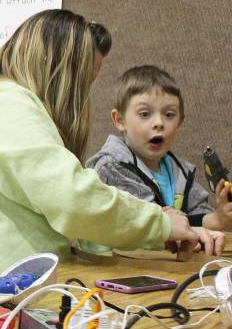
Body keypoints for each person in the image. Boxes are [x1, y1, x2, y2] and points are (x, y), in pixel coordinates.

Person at [0, 10, 225, 290]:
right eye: (83, 83)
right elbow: (72, 199)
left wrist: (163, 228)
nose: (82, 96)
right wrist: (159, 224)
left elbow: (58, 210)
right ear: (59, 71)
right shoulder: (4, 103)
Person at [86, 65, 232, 230]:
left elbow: (196, 216)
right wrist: (202, 227)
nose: (159, 123)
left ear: (180, 122)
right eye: (145, 114)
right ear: (120, 120)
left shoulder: (181, 171)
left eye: (169, 115)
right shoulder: (111, 167)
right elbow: (148, 224)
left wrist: (218, 218)